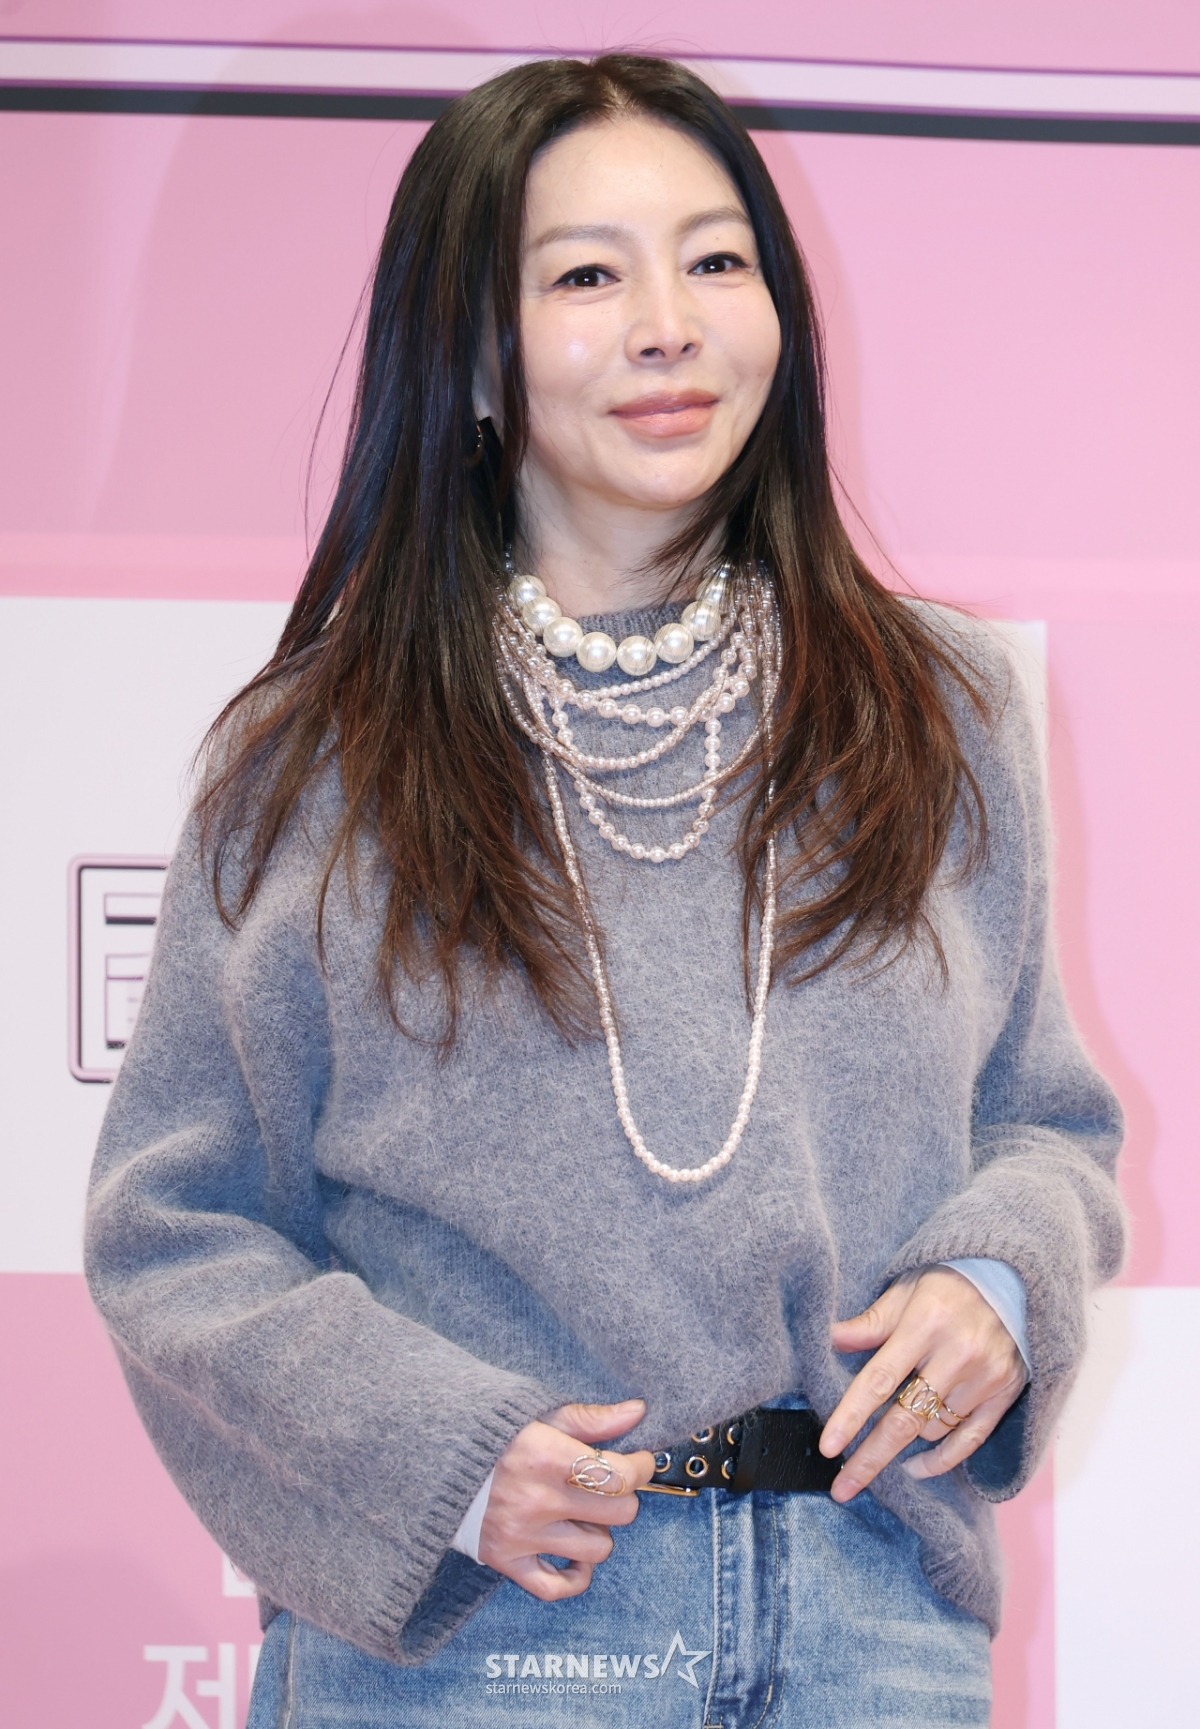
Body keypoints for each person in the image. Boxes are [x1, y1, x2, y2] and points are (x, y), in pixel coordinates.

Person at [84, 54, 1124, 1727]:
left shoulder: (942, 708)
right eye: (587, 276)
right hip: (490, 1635)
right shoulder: (316, 757)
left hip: (872, 1619)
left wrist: (1002, 1280)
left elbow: (1045, 1124)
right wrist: (436, 1457)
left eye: (718, 260)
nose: (669, 325)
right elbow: (176, 1224)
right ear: (471, 352)